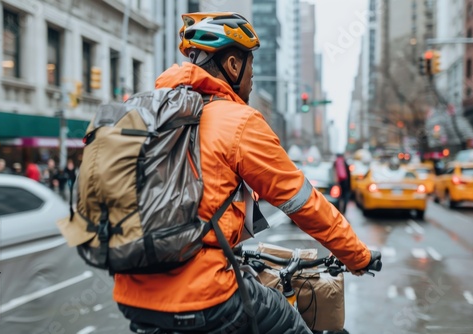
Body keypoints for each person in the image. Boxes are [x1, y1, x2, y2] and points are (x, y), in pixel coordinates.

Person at [114, 12, 379, 334]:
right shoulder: (238, 121)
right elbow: (302, 202)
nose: (252, 76)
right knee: (289, 322)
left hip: (132, 295)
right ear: (233, 65)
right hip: (203, 296)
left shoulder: (143, 116)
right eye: (250, 63)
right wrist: (358, 256)